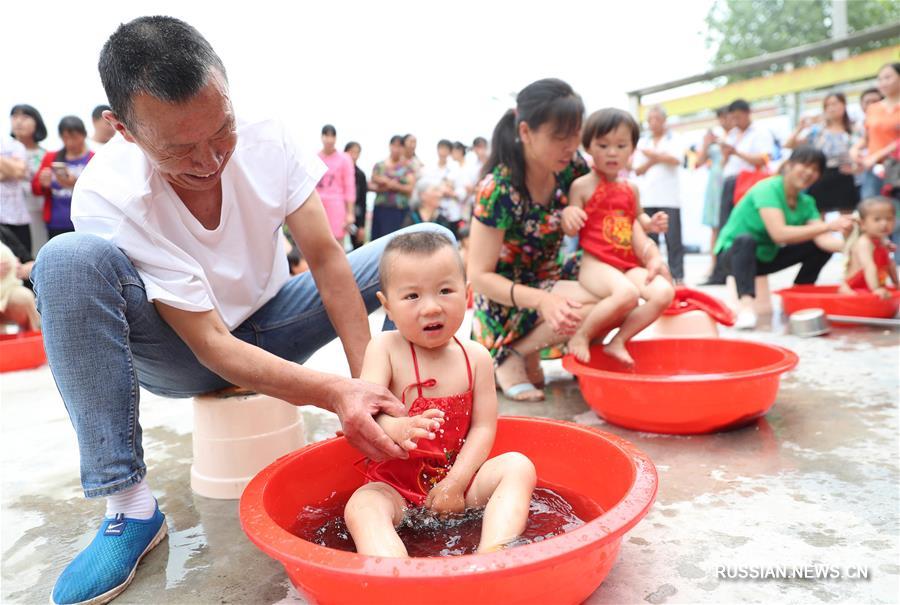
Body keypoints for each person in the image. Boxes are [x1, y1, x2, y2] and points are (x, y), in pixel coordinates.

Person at [31, 17, 453, 605]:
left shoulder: (266, 137)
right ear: (123, 130)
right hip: (184, 352)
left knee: (426, 243)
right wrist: (334, 394)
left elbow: (329, 265)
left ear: (227, 91)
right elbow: (211, 345)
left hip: (278, 317)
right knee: (67, 260)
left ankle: (412, 416)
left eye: (221, 130)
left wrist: (367, 386)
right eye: (180, 149)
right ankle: (128, 506)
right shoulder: (108, 192)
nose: (209, 160)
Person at [346, 231, 536, 557]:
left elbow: (483, 427)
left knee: (519, 466)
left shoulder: (475, 357)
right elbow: (368, 412)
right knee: (362, 506)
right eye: (412, 297)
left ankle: (493, 553)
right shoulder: (385, 349)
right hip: (396, 488)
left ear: (468, 295)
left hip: (459, 481)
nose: (431, 307)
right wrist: (395, 427)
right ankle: (396, 575)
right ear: (387, 306)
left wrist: (456, 483)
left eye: (445, 291)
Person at [469, 78, 598, 402]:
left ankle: (522, 350)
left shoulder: (572, 169)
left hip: (551, 280)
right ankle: (505, 353)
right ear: (525, 132)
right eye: (559, 137)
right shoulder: (497, 189)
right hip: (505, 300)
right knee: (588, 302)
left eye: (575, 135)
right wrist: (542, 301)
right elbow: (479, 277)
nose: (571, 146)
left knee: (622, 290)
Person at [561, 109, 674, 365]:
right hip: (594, 263)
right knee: (627, 294)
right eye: (603, 145)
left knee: (664, 293)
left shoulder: (630, 188)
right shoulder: (581, 186)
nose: (612, 152)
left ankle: (619, 340)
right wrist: (569, 214)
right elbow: (570, 229)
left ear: (632, 148)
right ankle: (581, 335)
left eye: (621, 145)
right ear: (588, 146)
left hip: (625, 263)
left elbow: (637, 218)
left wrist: (652, 223)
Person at [713, 146, 853, 329]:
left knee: (817, 247)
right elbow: (778, 233)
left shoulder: (807, 202)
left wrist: (857, 244)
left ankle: (798, 295)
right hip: (733, 256)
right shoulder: (768, 188)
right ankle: (746, 308)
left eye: (816, 170)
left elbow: (824, 241)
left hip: (766, 258)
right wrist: (827, 225)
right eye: (805, 165)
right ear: (789, 165)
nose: (809, 172)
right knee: (745, 240)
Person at [633, 105, 685, 282]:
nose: (653, 123)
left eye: (657, 119)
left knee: (673, 240)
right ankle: (653, 275)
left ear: (664, 120)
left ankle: (678, 276)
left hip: (670, 199)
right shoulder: (642, 142)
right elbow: (638, 169)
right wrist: (657, 158)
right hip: (648, 198)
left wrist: (652, 156)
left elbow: (676, 159)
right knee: (649, 239)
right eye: (650, 119)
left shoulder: (674, 138)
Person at [784, 93, 859, 214]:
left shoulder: (854, 129)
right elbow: (789, 145)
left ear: (844, 105)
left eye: (834, 104)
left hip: (845, 176)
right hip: (821, 175)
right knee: (818, 213)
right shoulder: (818, 131)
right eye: (827, 105)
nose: (831, 108)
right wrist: (800, 127)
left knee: (847, 215)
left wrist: (855, 168)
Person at [32, 116, 95, 239]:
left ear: (84, 135)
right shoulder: (51, 157)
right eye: (65, 138)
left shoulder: (93, 158)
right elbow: (35, 189)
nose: (70, 142)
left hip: (84, 220)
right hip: (56, 221)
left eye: (74, 137)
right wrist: (43, 183)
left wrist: (75, 184)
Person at [696, 107, 732, 276]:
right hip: (715, 182)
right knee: (715, 225)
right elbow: (697, 162)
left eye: (728, 117)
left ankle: (728, 264)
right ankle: (714, 264)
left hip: (731, 179)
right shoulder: (713, 136)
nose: (725, 120)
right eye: (722, 117)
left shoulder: (736, 136)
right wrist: (706, 143)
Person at [9, 104, 49, 255]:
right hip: (8, 214)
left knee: (38, 251)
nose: (18, 122)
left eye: (25, 117)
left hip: (37, 211)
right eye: (14, 117)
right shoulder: (4, 151)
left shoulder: (45, 154)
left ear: (37, 123)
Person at [839, 197, 897, 298]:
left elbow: (890, 265)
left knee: (890, 262)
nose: (884, 224)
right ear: (862, 224)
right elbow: (869, 266)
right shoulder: (864, 243)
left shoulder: (882, 241)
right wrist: (876, 289)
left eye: (889, 218)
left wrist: (896, 284)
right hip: (853, 288)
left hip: (871, 284)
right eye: (877, 219)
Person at [371, 135, 417, 239]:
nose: (396, 149)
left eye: (399, 146)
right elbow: (372, 183)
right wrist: (386, 185)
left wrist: (393, 185)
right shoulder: (380, 165)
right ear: (390, 146)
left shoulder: (408, 167)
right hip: (381, 209)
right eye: (394, 145)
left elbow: (410, 188)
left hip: (399, 210)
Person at [316, 124, 356, 241]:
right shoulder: (314, 158)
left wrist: (350, 213)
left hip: (337, 206)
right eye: (326, 136)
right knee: (317, 240)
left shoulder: (345, 159)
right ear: (321, 137)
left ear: (335, 138)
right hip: (317, 206)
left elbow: (349, 187)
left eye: (332, 136)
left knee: (336, 242)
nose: (329, 139)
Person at [423, 139, 466, 237]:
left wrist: (451, 193)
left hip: (452, 213)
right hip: (434, 213)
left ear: (450, 151)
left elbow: (462, 191)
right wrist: (442, 188)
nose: (443, 152)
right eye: (441, 148)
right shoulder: (430, 168)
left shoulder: (456, 168)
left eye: (446, 149)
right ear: (437, 150)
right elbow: (426, 187)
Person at [0, 241, 40, 331]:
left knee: (24, 297)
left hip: (8, 289)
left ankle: (34, 338)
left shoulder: (4, 232)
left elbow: (31, 264)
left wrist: (16, 266)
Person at [0, 134, 31, 252]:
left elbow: (19, 172)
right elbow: (15, 170)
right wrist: (10, 166)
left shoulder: (15, 145)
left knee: (25, 262)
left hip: (18, 217)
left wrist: (8, 171)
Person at [345, 141, 368, 249]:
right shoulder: (337, 171)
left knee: (358, 246)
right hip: (338, 213)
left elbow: (363, 201)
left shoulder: (360, 175)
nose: (354, 156)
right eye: (351, 152)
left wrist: (362, 226)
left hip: (356, 215)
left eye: (357, 153)